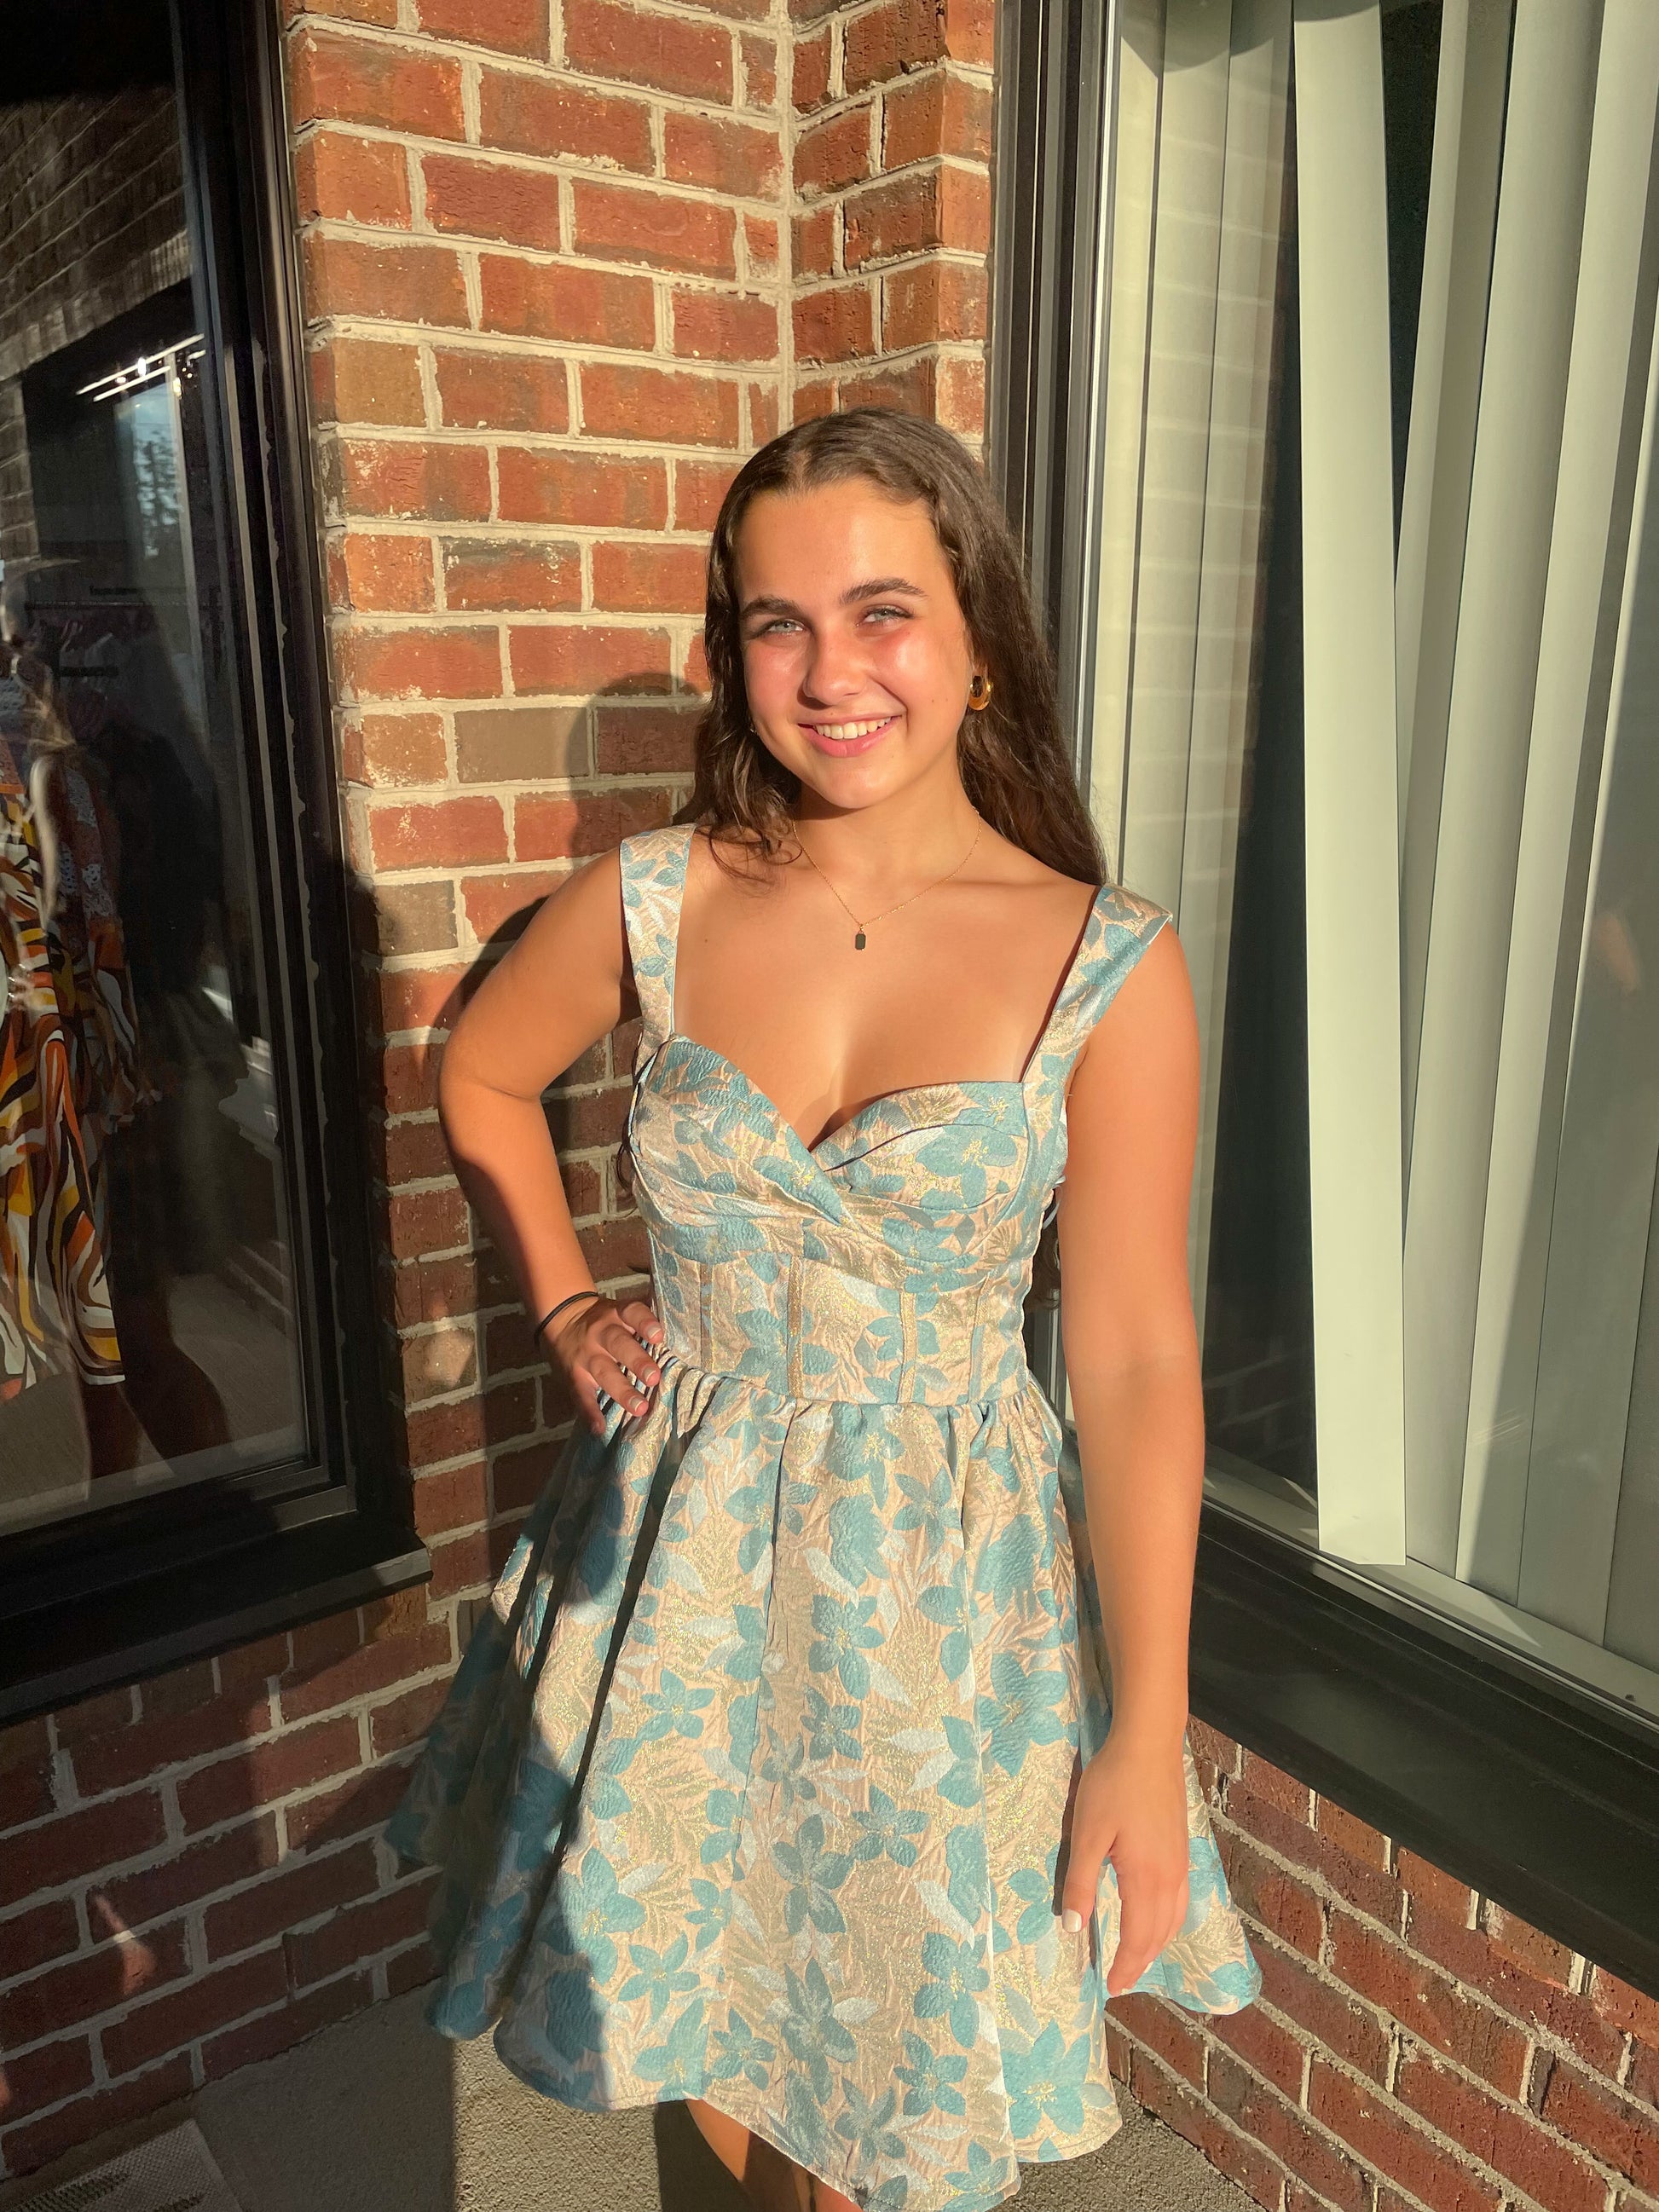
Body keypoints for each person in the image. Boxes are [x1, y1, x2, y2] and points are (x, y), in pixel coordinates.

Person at [386, 407, 1262, 2212]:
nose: (827, 671)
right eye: (775, 623)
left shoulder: (1102, 959)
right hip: (680, 1568)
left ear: (977, 640)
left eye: (881, 612)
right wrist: (566, 1306)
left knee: (881, 2056)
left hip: (942, 1602)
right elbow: (481, 1071)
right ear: (733, 655)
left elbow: (1131, 1358)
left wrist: (1144, 1728)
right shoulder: (658, 897)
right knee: (720, 2020)